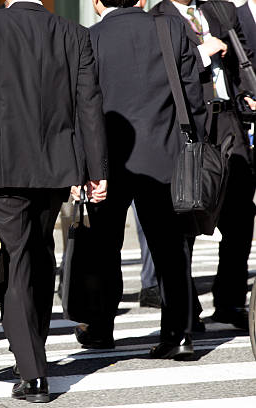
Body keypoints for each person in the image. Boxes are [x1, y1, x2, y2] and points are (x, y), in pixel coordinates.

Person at [0, 0, 108, 402]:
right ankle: (32, 351)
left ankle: (32, 370)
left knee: (16, 262)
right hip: (57, 166)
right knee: (41, 257)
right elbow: (89, 106)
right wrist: (97, 170)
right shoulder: (73, 33)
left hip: (5, 166)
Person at [82, 0, 206, 360]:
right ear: (140, 0)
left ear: (96, 3)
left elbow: (84, 105)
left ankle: (102, 327)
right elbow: (193, 96)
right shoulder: (170, 28)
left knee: (105, 247)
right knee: (171, 248)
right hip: (164, 155)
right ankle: (179, 333)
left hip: (109, 159)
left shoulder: (91, 38)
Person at [151, 0, 256, 332]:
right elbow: (162, 72)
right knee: (188, 211)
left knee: (240, 214)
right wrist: (202, 53)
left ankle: (230, 301)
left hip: (229, 117)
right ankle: (186, 308)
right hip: (190, 122)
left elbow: (245, 57)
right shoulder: (158, 18)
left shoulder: (221, 9)